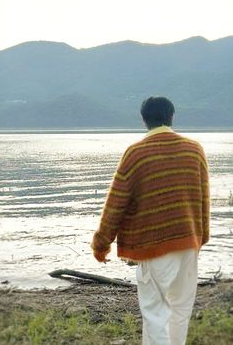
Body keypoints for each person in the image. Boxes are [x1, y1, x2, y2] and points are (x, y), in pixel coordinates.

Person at [91, 96, 210, 345]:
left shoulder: (136, 153)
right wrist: (201, 237)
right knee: (180, 311)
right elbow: (203, 199)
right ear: (172, 116)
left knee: (155, 313)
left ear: (144, 120)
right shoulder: (194, 150)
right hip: (189, 243)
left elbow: (116, 203)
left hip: (154, 246)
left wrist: (101, 244)